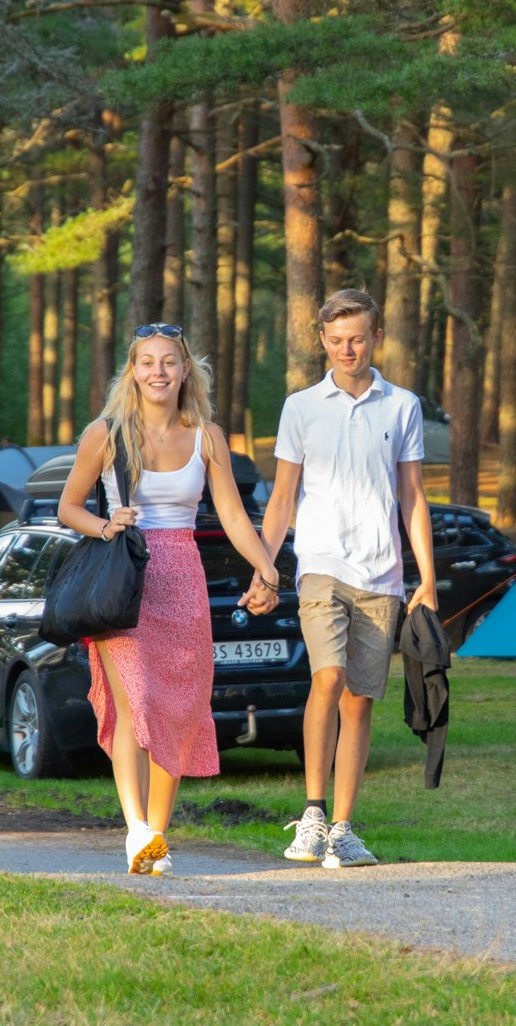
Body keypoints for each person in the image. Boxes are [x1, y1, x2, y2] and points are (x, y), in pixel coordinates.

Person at [57, 323, 281, 876]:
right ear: (132, 371)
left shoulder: (207, 436)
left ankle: (157, 834)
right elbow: (68, 508)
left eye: (169, 362)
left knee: (176, 708)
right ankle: (134, 828)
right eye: (147, 362)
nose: (158, 371)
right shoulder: (105, 433)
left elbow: (231, 513)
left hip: (182, 573)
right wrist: (107, 525)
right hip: (123, 576)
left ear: (186, 371)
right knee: (136, 701)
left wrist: (267, 567)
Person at [259, 290, 439, 869]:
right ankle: (312, 814)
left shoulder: (402, 406)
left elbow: (412, 495)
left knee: (360, 700)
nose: (346, 349)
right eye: (335, 341)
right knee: (328, 677)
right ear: (321, 342)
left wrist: (426, 578)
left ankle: (343, 827)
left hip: (381, 574)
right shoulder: (301, 407)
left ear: (376, 336)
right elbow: (283, 496)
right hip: (320, 566)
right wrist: (266, 566)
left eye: (356, 338)